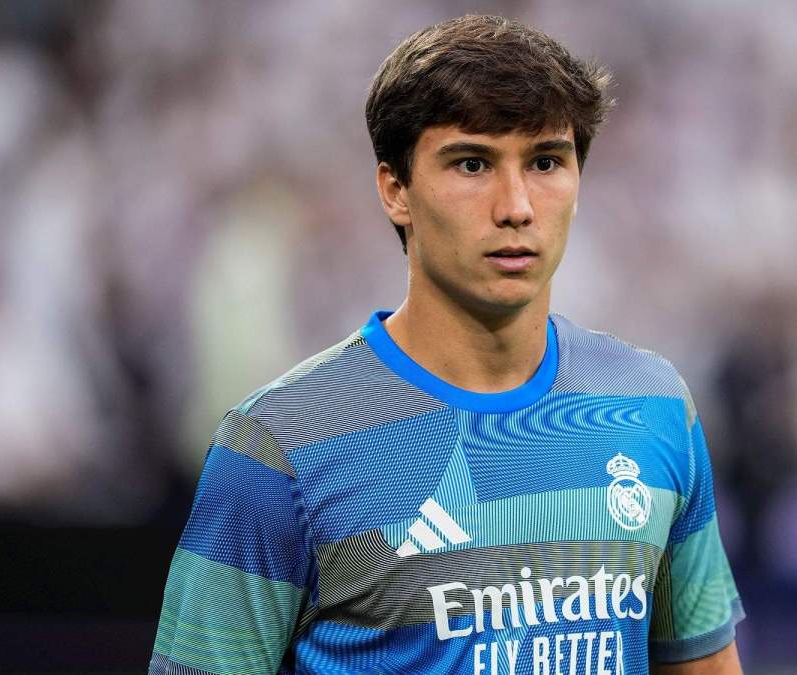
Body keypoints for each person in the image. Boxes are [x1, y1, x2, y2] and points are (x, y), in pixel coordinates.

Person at [150, 15, 743, 675]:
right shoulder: (275, 448)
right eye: (472, 163)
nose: (516, 204)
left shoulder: (653, 405)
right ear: (395, 189)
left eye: (546, 161)